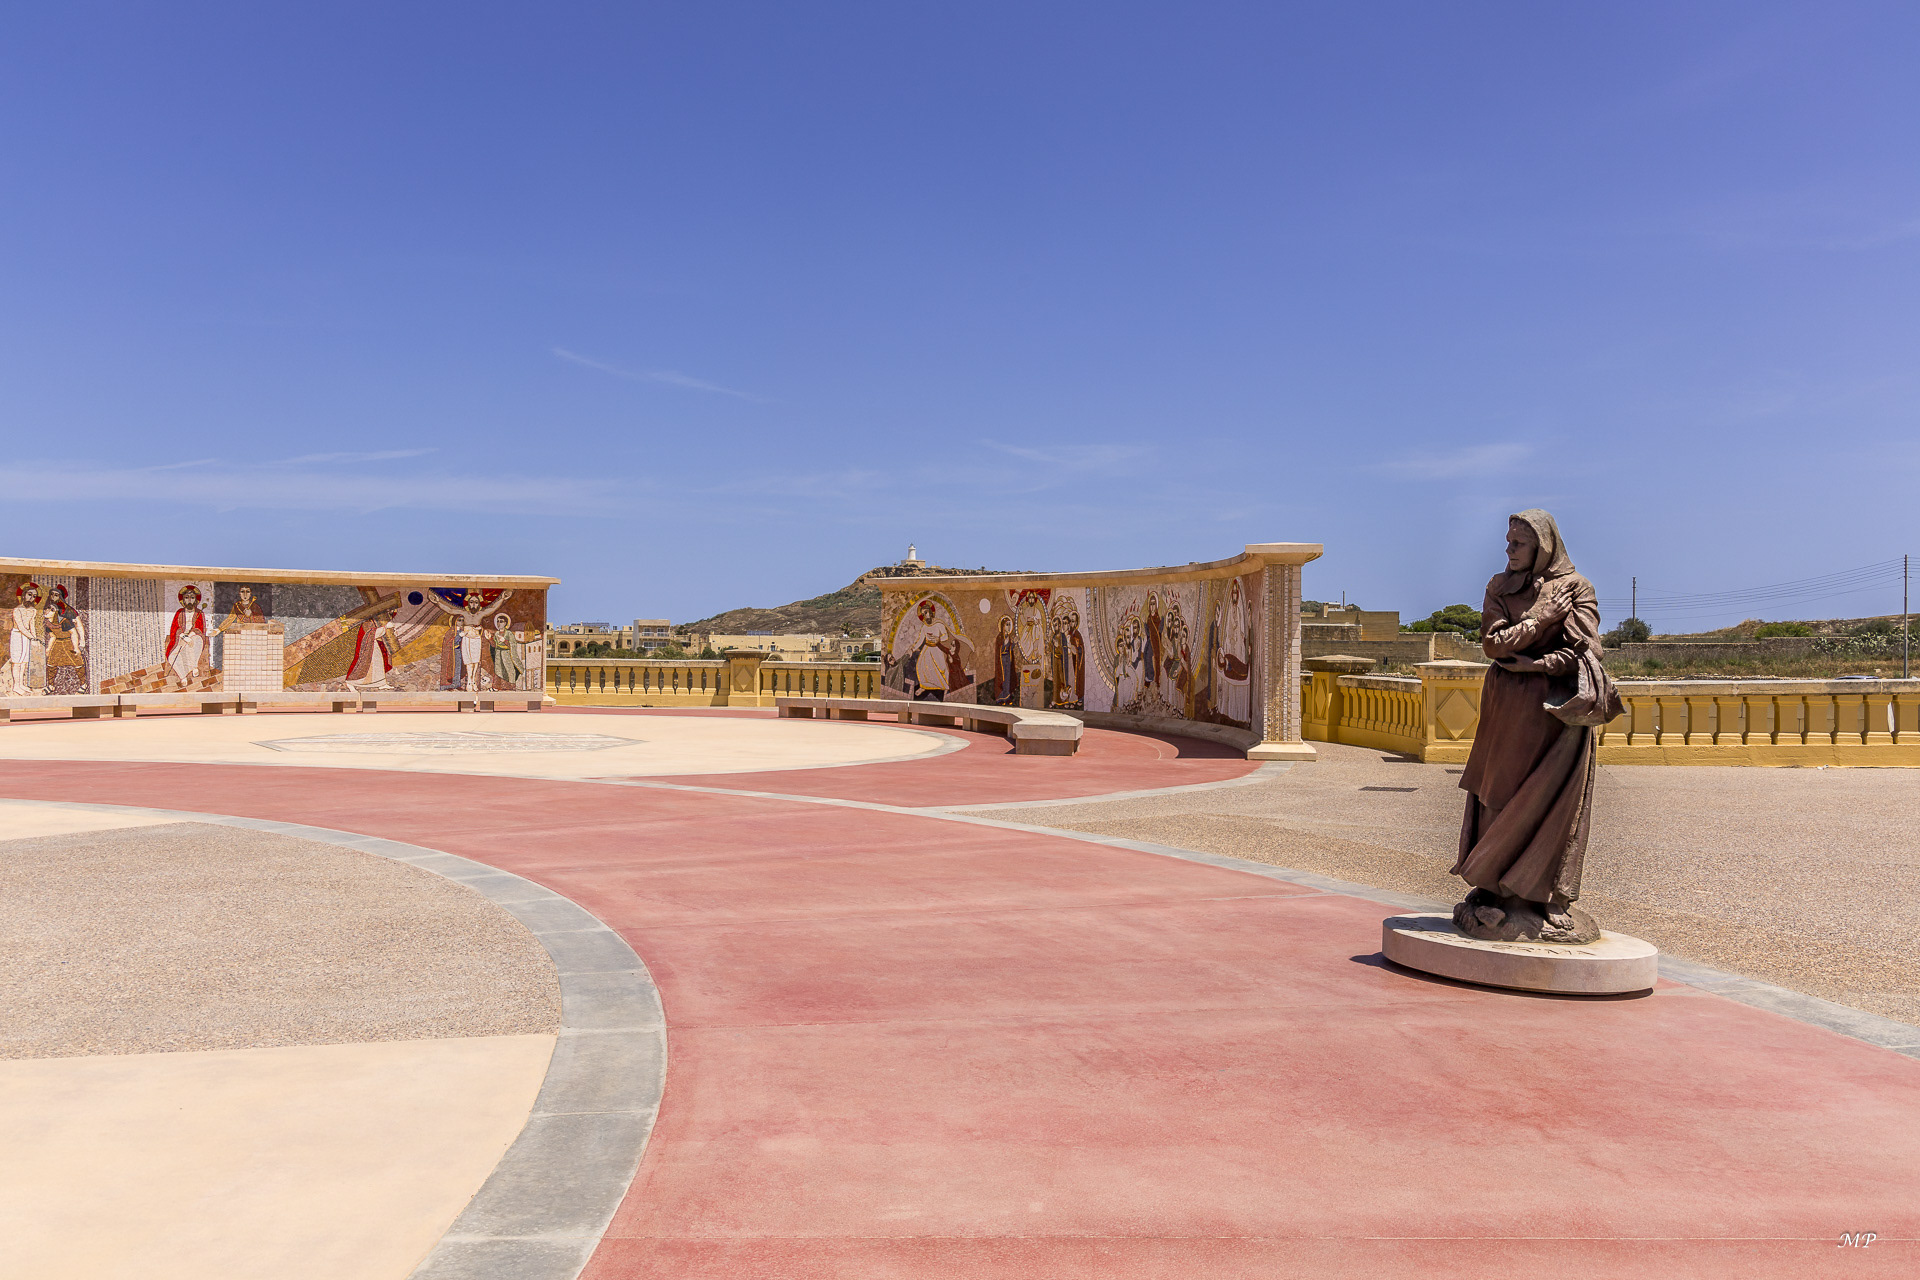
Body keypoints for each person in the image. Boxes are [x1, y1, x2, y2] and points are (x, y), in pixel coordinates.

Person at [1452, 509, 1619, 942]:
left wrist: (1539, 664)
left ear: (1543, 546)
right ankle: (1490, 888)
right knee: (1498, 791)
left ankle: (1543, 894)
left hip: (1554, 710)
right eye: (1508, 541)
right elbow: (1494, 645)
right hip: (1508, 706)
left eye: (1518, 543)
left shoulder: (1576, 587)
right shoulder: (1498, 586)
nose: (1509, 550)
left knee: (1552, 798)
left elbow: (1588, 651)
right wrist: (1541, 620)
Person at [164, 585, 211, 689]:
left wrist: (191, 635)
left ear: (196, 600)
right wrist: (183, 636)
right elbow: (174, 628)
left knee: (195, 641)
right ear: (183, 600)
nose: (189, 600)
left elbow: (201, 628)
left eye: (192, 597)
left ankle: (194, 666)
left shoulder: (199, 613)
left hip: (194, 636)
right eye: (186, 597)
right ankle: (182, 676)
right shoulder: (179, 612)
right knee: (172, 656)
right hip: (180, 638)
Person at [43, 584, 86, 695]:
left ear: (61, 596)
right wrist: (48, 648)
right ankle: (51, 685)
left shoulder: (68, 611)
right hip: (58, 642)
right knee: (51, 663)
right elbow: (52, 636)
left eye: (56, 595)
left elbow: (77, 627)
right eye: (52, 594)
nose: (53, 597)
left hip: (69, 641)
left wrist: (81, 642)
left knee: (77, 661)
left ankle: (83, 684)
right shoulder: (49, 617)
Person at [7, 582, 46, 696]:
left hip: (27, 637)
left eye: (34, 596)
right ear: (24, 595)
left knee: (24, 662)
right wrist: (32, 638)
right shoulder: (17, 610)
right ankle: (16, 686)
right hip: (17, 636)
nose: (31, 598)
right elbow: (21, 627)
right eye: (29, 594)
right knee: (17, 662)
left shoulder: (32, 610)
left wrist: (34, 638)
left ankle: (21, 684)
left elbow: (31, 625)